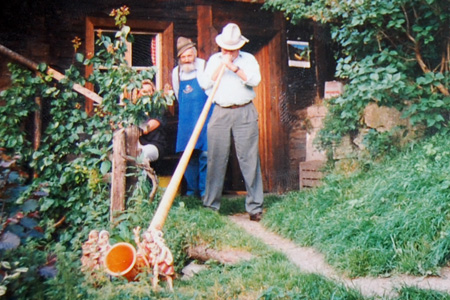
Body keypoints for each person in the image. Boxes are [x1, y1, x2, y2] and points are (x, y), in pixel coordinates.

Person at [200, 23, 264, 221]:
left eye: (231, 49)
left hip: (244, 111)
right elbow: (204, 83)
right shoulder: (213, 60)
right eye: (224, 48)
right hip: (220, 112)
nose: (227, 51)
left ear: (239, 47)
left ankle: (255, 207)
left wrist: (234, 68)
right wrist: (222, 65)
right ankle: (211, 206)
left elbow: (255, 80)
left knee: (249, 159)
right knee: (215, 159)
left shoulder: (249, 60)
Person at [172, 37, 211, 198]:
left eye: (189, 56)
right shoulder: (176, 73)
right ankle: (191, 191)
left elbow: (210, 89)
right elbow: (177, 93)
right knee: (187, 154)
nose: (187, 60)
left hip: (204, 117)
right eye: (183, 57)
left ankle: (204, 191)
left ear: (194, 54)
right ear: (180, 59)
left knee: (205, 154)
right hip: (187, 119)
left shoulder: (204, 66)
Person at [137, 79, 167, 163]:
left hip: (154, 145)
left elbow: (147, 128)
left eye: (151, 91)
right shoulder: (136, 109)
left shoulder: (159, 108)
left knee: (142, 154)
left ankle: (142, 176)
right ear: (139, 93)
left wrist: (134, 129)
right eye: (145, 92)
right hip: (138, 144)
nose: (149, 94)